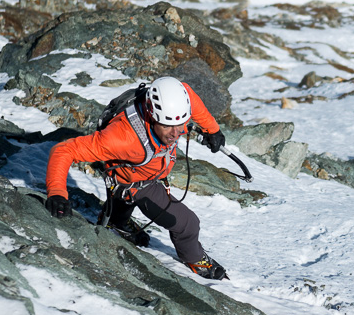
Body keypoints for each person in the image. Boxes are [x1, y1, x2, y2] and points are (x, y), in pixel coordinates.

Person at [44, 76, 228, 279]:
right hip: (134, 181)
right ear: (151, 113)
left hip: (139, 169)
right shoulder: (122, 139)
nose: (176, 134)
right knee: (187, 224)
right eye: (167, 126)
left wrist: (213, 129)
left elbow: (190, 96)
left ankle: (117, 220)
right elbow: (64, 151)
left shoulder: (175, 100)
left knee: (123, 198)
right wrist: (57, 192)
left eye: (181, 125)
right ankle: (194, 258)